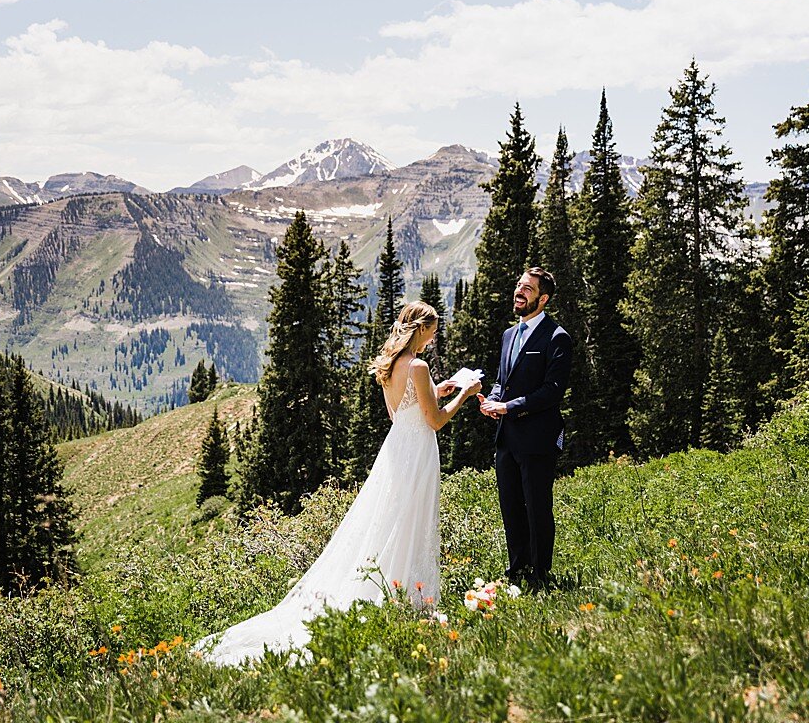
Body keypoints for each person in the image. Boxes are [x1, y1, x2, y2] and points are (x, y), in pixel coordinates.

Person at [201, 301, 477, 665]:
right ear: (420, 329)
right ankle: (408, 601)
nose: (434, 336)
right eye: (433, 330)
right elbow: (436, 421)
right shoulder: (420, 366)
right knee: (411, 524)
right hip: (419, 453)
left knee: (392, 524)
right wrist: (464, 393)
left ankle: (397, 597)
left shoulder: (391, 365)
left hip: (397, 449)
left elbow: (402, 413)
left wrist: (437, 389)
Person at [480, 267, 573, 589]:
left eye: (528, 289)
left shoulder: (557, 337)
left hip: (537, 438)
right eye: (519, 285)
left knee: (536, 508)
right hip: (506, 437)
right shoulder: (509, 335)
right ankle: (516, 569)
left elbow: (553, 390)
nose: (519, 292)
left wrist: (508, 406)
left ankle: (540, 574)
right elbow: (501, 380)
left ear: (543, 298)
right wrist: (492, 399)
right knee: (510, 506)